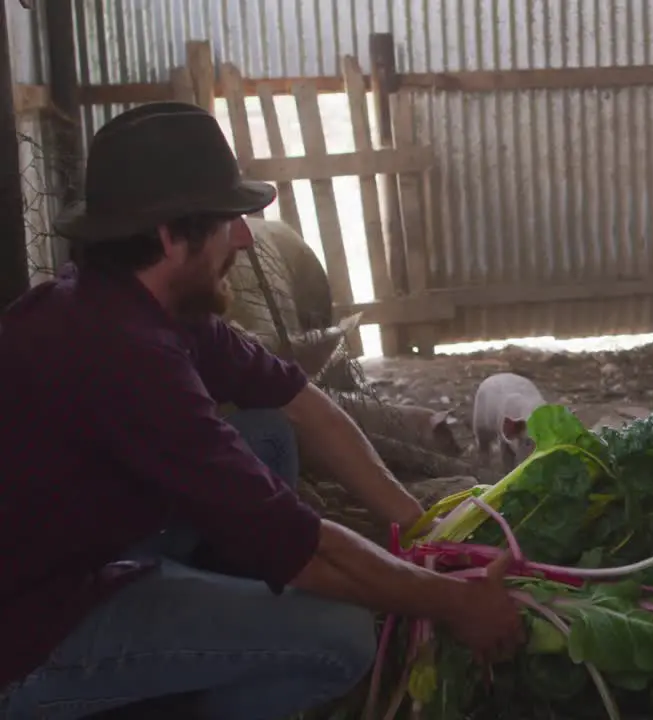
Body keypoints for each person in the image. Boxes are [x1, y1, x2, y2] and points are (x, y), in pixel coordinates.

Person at [0, 101, 526, 719]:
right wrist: (453, 602)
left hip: (74, 550)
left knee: (267, 434)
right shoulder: (127, 357)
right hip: (33, 636)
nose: (246, 237)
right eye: (230, 222)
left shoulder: (144, 303)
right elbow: (303, 551)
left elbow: (300, 403)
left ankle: (208, 639)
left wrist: (415, 527)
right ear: (172, 235)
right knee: (337, 637)